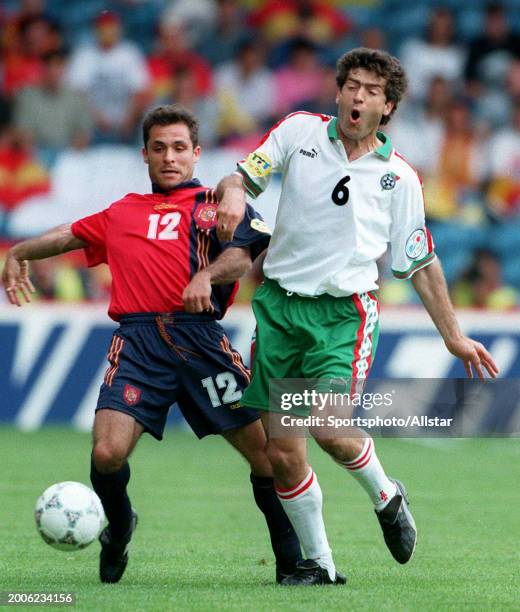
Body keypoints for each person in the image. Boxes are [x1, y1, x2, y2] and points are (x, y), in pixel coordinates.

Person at [215, 48, 499, 586]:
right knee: (281, 450)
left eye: (371, 90)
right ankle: (319, 565)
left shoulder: (399, 178)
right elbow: (244, 177)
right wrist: (231, 192)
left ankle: (387, 496)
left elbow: (419, 262)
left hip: (342, 314)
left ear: (387, 107)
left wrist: (454, 336)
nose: (358, 95)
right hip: (278, 308)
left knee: (329, 428)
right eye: (352, 85)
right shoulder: (299, 131)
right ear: (339, 91)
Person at [1, 104, 302, 584]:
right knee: (106, 454)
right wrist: (19, 250)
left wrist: (205, 273)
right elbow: (69, 235)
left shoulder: (216, 203)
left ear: (196, 152)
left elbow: (242, 257)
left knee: (268, 455)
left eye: (179, 148)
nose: (169, 157)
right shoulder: (122, 211)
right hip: (139, 343)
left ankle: (292, 561)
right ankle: (119, 526)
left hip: (200, 340)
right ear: (144, 154)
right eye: (159, 148)